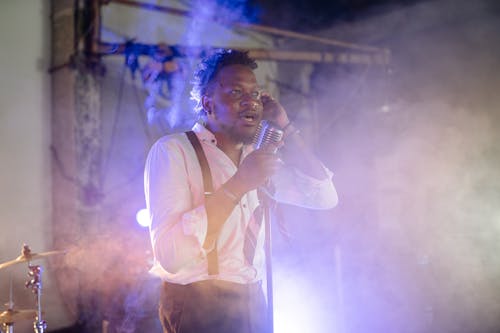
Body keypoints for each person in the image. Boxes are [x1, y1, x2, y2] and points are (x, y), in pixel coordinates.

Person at [144, 49, 338, 333]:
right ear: (209, 104)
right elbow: (171, 258)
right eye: (236, 92)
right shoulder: (174, 151)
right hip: (197, 304)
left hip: (253, 300)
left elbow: (324, 196)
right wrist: (239, 184)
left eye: (256, 93)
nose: (251, 101)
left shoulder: (258, 157)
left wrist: (286, 125)